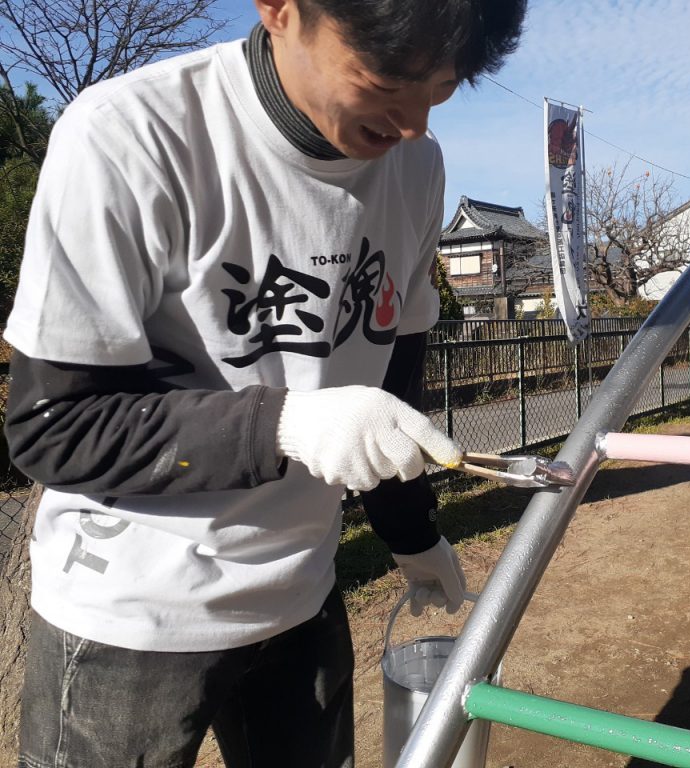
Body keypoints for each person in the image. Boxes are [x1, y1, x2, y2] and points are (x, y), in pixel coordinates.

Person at [3, 1, 526, 766]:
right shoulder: (130, 134)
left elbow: (392, 388)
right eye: (389, 78)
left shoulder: (417, 167)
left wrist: (413, 533)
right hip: (128, 611)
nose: (413, 122)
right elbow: (53, 424)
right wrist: (289, 425)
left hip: (300, 593)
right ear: (281, 10)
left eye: (443, 87)